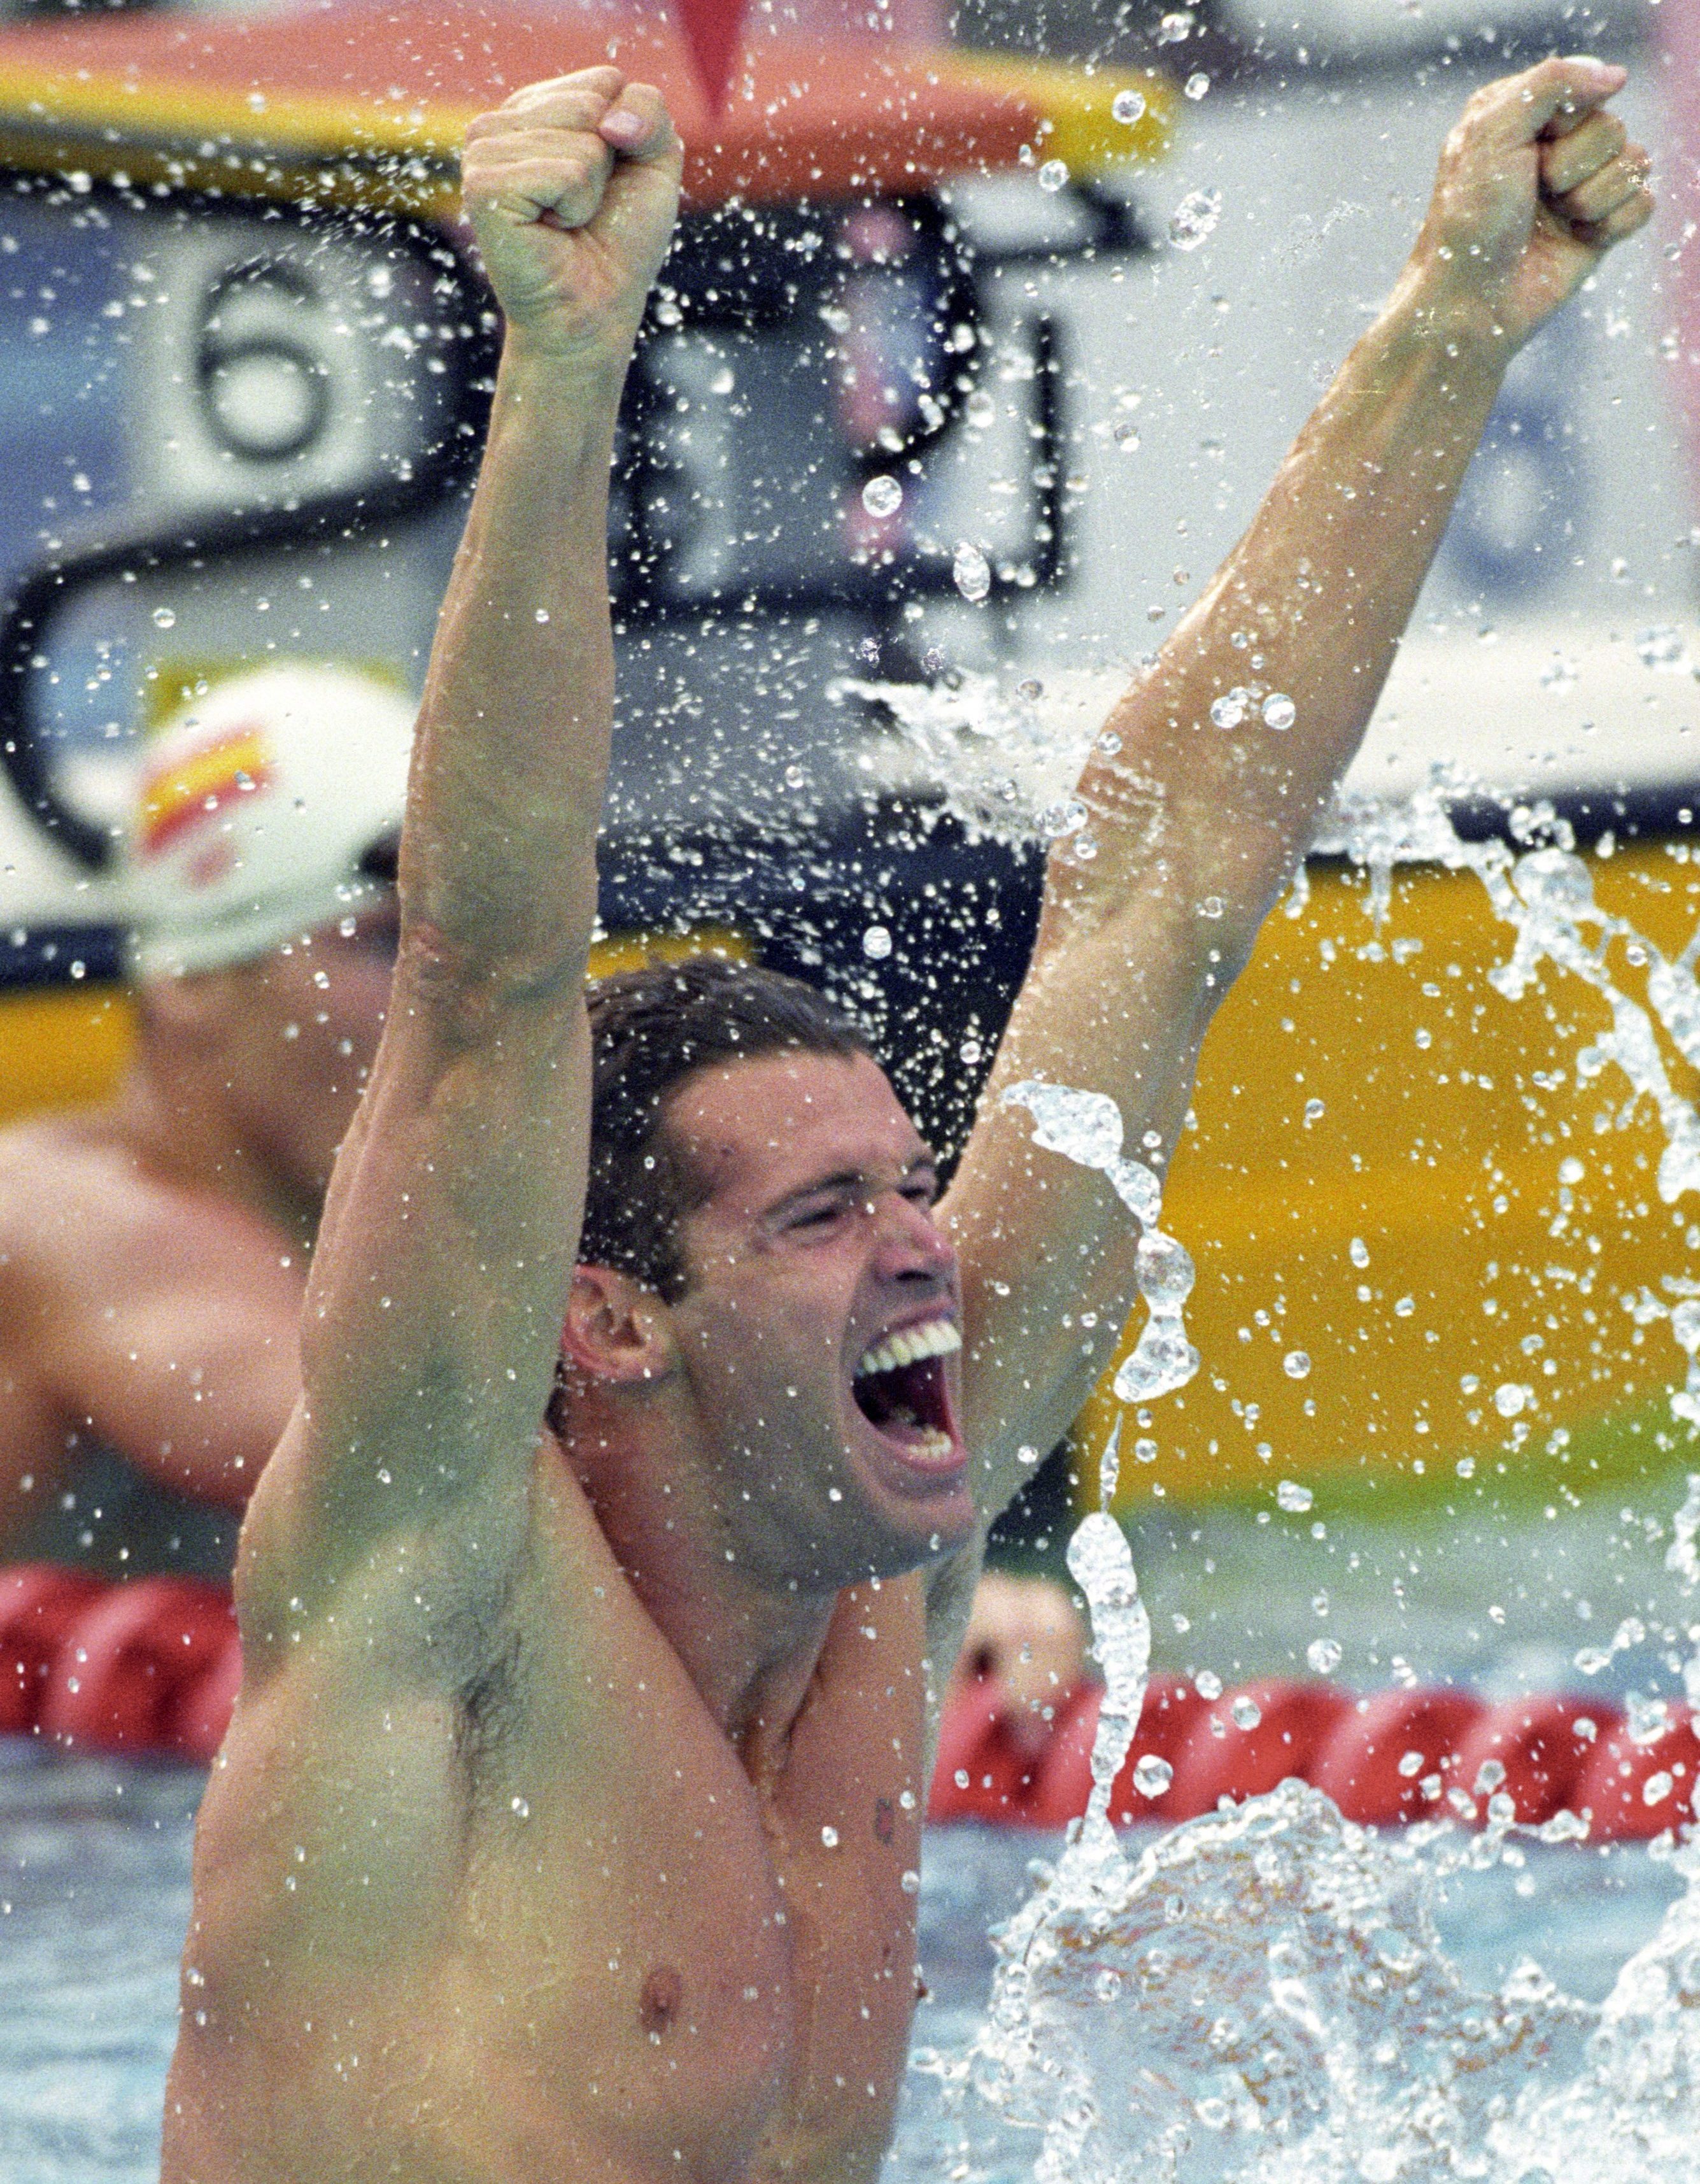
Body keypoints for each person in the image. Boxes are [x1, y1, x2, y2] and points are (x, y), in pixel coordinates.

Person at [162, 57, 1650, 2184]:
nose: (927, 1241)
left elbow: (1168, 862)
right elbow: (490, 986)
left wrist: (1453, 319)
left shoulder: (893, 1554)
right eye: (823, 1214)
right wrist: (564, 379)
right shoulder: (447, 1583)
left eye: (906, 1184)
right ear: (610, 1319)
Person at [0, 663, 411, 1574]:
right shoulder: (51, 1215)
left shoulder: (395, 1247)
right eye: (381, 941)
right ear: (192, 978)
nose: (448, 1003)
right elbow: (413, 1478)